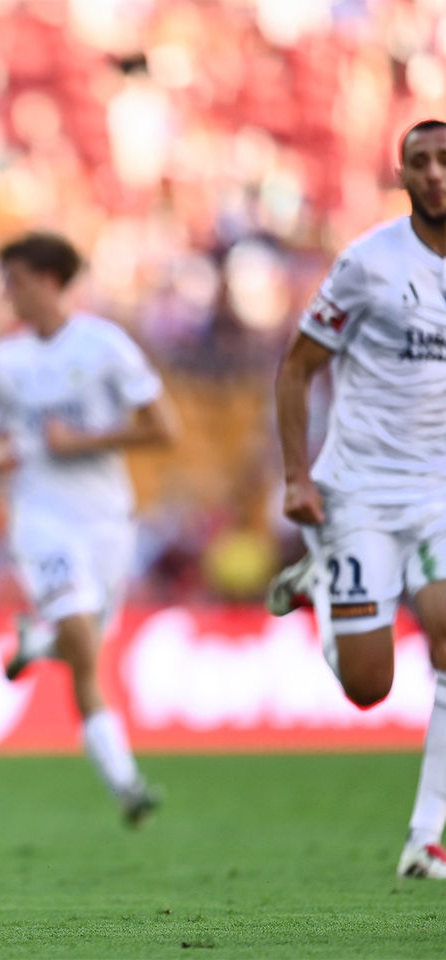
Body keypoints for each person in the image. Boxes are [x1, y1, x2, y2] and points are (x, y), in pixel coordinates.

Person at [265, 118, 446, 880]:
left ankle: (428, 835)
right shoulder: (368, 263)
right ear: (401, 176)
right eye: (421, 162)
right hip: (361, 493)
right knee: (370, 689)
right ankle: (321, 586)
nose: (436, 172)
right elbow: (297, 368)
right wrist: (298, 477)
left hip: (438, 491)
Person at [0, 231, 177, 825]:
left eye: (16, 281)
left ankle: (38, 643)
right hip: (42, 520)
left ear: (49, 280)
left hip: (107, 519)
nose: (8, 294)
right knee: (84, 644)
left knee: (84, 649)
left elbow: (166, 428)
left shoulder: (105, 345)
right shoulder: (4, 361)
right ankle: (128, 784)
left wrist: (84, 442)